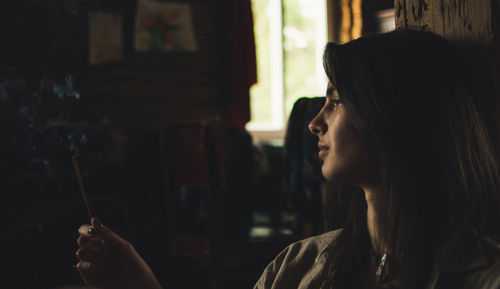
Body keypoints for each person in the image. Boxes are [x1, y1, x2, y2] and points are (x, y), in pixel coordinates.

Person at [76, 29, 500, 289]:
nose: (315, 122)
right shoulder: (300, 268)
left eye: (335, 101)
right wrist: (139, 283)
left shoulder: (482, 277)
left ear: (394, 114)